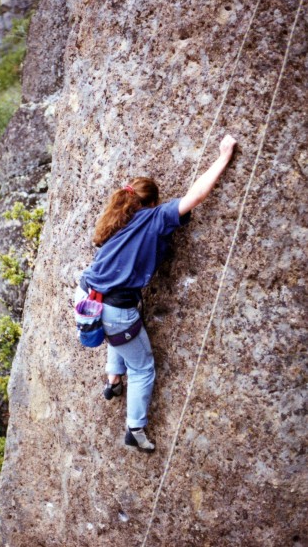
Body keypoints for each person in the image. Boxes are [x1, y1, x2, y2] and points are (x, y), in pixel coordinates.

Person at [76, 134, 237, 452]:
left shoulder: (116, 221)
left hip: (86, 299)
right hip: (113, 310)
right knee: (142, 365)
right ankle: (135, 429)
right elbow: (196, 195)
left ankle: (112, 380)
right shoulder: (155, 218)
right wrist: (223, 156)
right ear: (152, 204)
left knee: (120, 333)